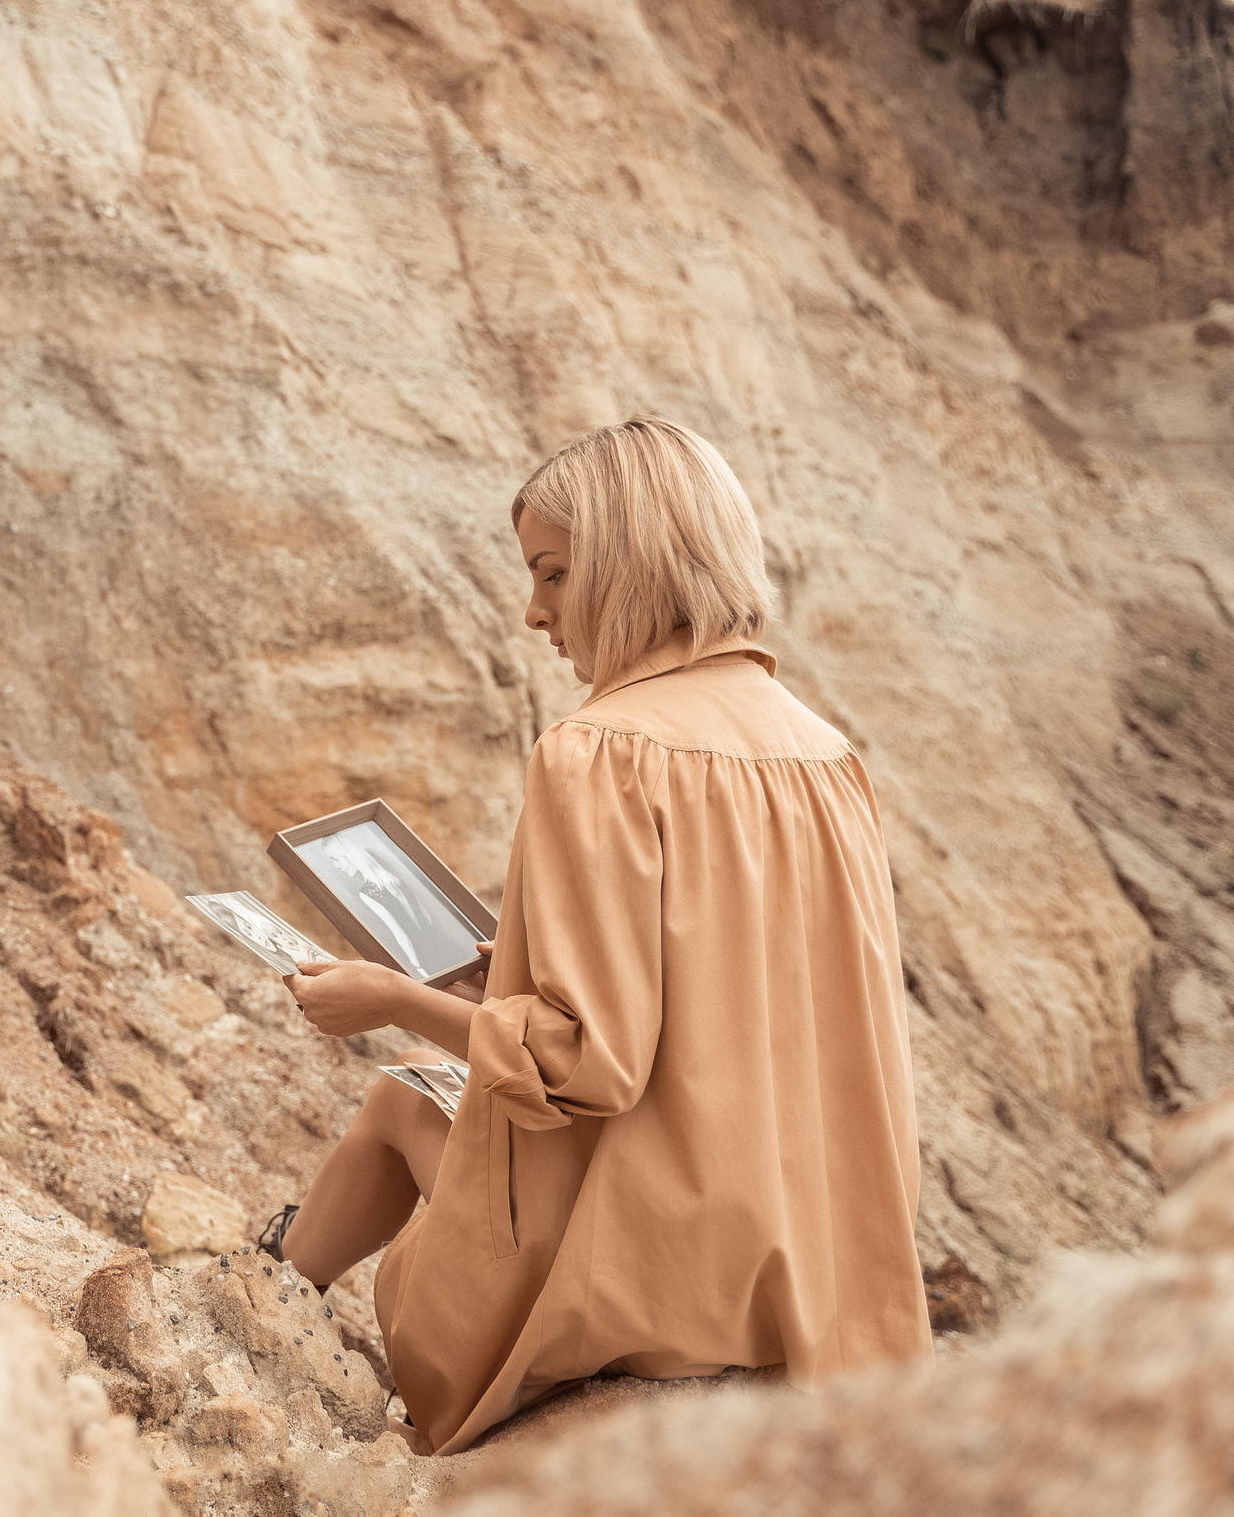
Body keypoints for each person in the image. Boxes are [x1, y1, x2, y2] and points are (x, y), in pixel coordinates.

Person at [263, 416, 932, 1455]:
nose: (533, 613)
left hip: (663, 1278)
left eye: (553, 575)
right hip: (818, 1271)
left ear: (632, 563)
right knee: (422, 1091)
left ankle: (259, 1305)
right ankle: (265, 1292)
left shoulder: (599, 753)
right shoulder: (822, 754)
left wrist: (387, 1001)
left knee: (400, 1094)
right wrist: (510, 976)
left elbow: (586, 1066)